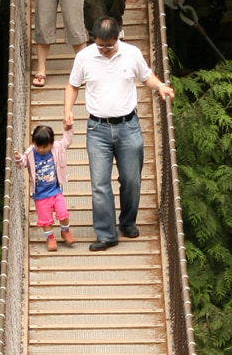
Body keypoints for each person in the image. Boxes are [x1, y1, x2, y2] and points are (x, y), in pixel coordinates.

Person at [63, 17, 175, 251]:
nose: (104, 50)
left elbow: (146, 77)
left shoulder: (131, 53)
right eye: (100, 45)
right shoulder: (84, 57)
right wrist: (68, 111)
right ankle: (106, 234)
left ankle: (127, 221)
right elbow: (73, 85)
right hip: (97, 129)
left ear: (118, 38)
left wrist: (161, 86)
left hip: (128, 126)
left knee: (131, 179)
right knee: (99, 183)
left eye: (109, 45)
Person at [15, 124, 74, 250]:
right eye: (39, 146)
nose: (42, 150)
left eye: (45, 147)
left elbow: (67, 142)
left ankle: (65, 231)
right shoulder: (31, 153)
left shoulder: (56, 148)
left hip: (56, 191)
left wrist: (68, 128)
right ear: (33, 143)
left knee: (63, 214)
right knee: (46, 220)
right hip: (41, 195)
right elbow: (23, 163)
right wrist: (19, 158)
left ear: (51, 143)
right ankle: (50, 238)